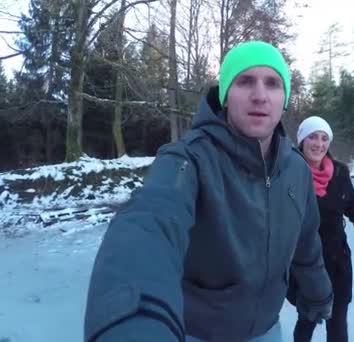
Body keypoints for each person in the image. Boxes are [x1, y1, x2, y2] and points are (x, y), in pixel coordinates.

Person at [83, 41, 333, 342]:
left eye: (272, 83)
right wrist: (133, 320)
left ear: (285, 99)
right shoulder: (189, 159)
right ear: (226, 95)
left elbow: (306, 241)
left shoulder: (296, 169)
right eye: (244, 81)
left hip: (267, 330)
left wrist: (318, 293)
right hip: (199, 333)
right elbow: (149, 222)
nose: (260, 95)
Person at [287, 116, 354, 342]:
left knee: (338, 327)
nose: (319, 144)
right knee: (306, 324)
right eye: (313, 137)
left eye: (324, 138)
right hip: (306, 266)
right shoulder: (290, 173)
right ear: (302, 140)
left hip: (338, 262)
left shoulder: (339, 174)